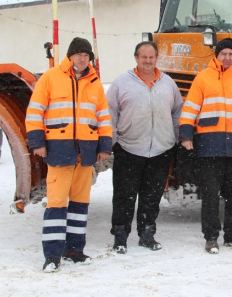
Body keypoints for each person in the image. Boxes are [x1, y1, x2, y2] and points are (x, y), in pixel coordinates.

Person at [25, 37, 112, 273]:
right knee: (56, 205)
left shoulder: (95, 83)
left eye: (87, 55)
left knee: (80, 204)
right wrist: (37, 143)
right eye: (78, 54)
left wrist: (104, 147)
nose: (83, 59)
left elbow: (103, 118)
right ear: (70, 56)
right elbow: (35, 112)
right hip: (59, 151)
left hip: (86, 154)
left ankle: (75, 250)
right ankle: (52, 255)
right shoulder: (51, 77)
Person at [179, 38, 232, 254]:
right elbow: (190, 109)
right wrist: (186, 135)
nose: (227, 58)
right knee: (210, 193)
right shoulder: (203, 77)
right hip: (210, 144)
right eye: (223, 53)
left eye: (231, 54)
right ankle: (210, 237)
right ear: (216, 55)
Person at [106, 41, 183, 254]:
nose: (147, 61)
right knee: (124, 195)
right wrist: (112, 141)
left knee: (152, 196)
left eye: (151, 57)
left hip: (160, 150)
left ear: (157, 58)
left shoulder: (167, 83)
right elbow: (109, 113)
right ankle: (120, 237)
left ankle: (147, 234)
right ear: (136, 58)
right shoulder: (122, 83)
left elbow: (177, 111)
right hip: (129, 148)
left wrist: (174, 137)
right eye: (143, 57)